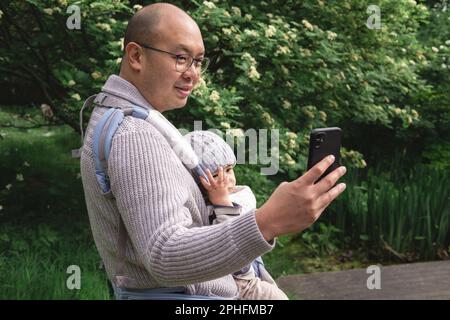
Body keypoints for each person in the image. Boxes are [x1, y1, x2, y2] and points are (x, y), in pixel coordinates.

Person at [80, 3, 347, 300]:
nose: (193, 75)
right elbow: (164, 256)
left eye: (197, 62)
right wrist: (268, 220)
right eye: (181, 58)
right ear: (136, 55)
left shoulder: (112, 113)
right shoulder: (135, 134)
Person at [184, 130, 289, 300]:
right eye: (216, 176)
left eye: (229, 169)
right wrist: (221, 201)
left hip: (252, 271)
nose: (227, 180)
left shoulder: (240, 195)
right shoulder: (202, 207)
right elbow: (229, 239)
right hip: (235, 282)